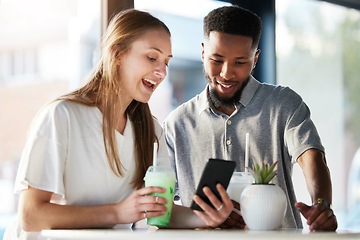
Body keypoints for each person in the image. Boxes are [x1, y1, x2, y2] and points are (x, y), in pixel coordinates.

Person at [4, 9, 233, 240]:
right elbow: (31, 216)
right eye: (152, 57)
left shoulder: (151, 131)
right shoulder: (61, 116)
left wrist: (202, 218)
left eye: (166, 62)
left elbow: (160, 211)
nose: (162, 71)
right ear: (117, 54)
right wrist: (117, 213)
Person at [163, 5, 338, 231]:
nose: (226, 73)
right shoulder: (176, 123)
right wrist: (202, 219)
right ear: (203, 52)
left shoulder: (283, 103)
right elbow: (162, 209)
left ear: (255, 58)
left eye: (240, 62)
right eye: (217, 60)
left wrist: (321, 205)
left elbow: (311, 156)